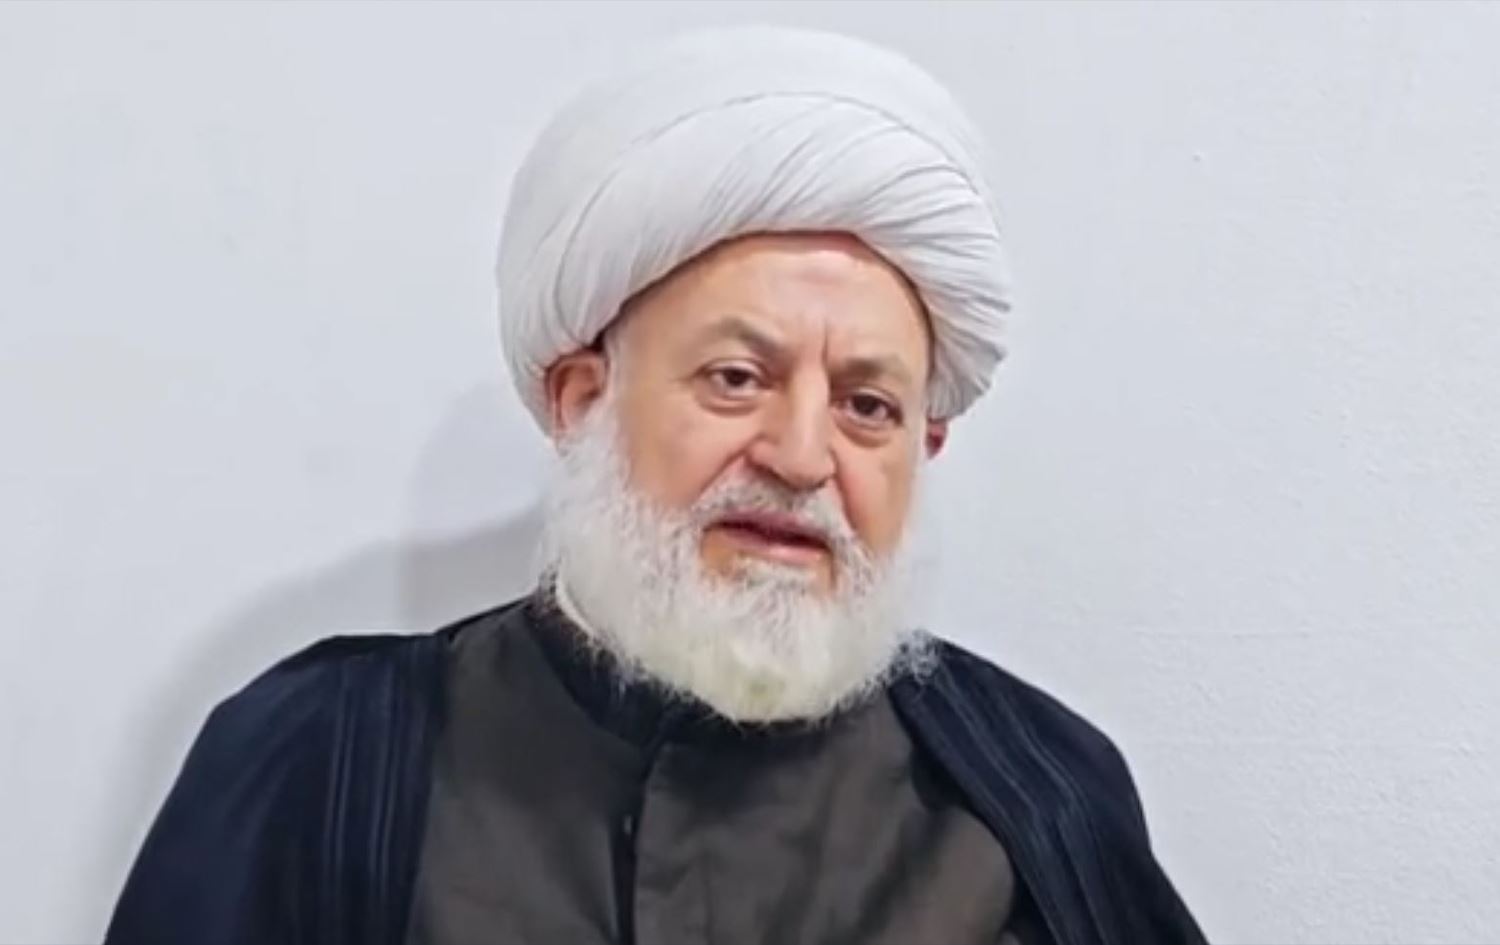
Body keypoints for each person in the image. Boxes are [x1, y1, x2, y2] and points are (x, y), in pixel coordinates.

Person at [106, 26, 1205, 945]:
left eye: (868, 405)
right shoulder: (323, 757)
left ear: (926, 446)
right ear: (583, 400)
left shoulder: (1037, 799)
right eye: (738, 379)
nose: (802, 456)